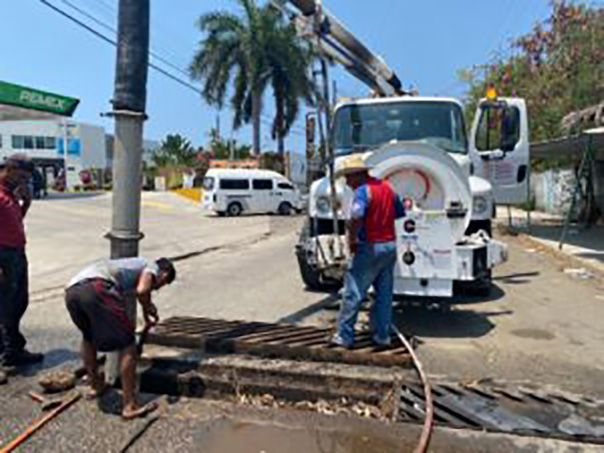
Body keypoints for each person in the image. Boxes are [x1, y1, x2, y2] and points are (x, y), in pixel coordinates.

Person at [65, 257, 176, 419]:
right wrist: (147, 305)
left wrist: (146, 310)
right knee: (128, 344)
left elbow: (141, 292)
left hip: (72, 292)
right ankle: (129, 405)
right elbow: (143, 290)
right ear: (164, 274)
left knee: (88, 338)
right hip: (97, 288)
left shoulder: (128, 264)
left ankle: (95, 385)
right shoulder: (152, 266)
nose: (156, 288)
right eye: (160, 285)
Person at [331, 154, 405, 349]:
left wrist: (353, 239)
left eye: (348, 177)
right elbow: (399, 212)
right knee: (384, 294)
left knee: (353, 292)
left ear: (358, 175)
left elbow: (357, 214)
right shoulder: (388, 188)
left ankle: (344, 336)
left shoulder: (363, 191)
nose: (347, 182)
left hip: (369, 246)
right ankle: (382, 336)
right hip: (389, 246)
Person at [0, 155, 44, 380]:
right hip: (3, 257)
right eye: (22, 176)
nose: (24, 181)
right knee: (2, 307)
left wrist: (25, 204)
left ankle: (14, 351)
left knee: (18, 304)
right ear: (9, 169)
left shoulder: (10, 195)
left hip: (16, 254)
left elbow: (15, 223)